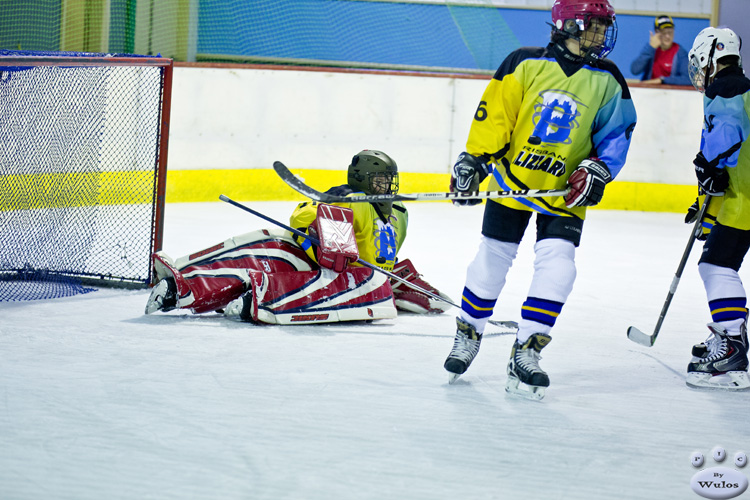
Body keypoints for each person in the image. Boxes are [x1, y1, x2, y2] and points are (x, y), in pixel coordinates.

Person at [442, 0, 637, 399]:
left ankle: (527, 348)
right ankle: (469, 332)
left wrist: (600, 168)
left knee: (560, 268)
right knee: (491, 259)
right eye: (595, 26)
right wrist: (474, 160)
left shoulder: (608, 79)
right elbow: (495, 117)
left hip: (564, 193)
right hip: (513, 182)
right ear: (570, 25)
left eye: (603, 27)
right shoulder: (524, 63)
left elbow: (616, 134)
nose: (601, 35)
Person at [144, 149, 451, 324]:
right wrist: (327, 213)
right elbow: (300, 216)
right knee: (271, 244)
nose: (388, 188)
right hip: (322, 263)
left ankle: (260, 298)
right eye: (381, 181)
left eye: (389, 181)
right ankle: (182, 284)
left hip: (361, 281)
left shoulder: (400, 215)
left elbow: (384, 262)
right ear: (363, 181)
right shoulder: (351, 200)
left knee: (370, 281)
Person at [682, 27, 749, 391]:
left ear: (710, 55)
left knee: (716, 265)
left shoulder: (725, 88)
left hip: (747, 203)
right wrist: (707, 208)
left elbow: (729, 135)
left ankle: (732, 350)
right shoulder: (741, 84)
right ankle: (730, 334)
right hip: (742, 198)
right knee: (722, 263)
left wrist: (710, 165)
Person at [630, 15, 691, 86]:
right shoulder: (651, 49)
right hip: (648, 91)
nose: (667, 36)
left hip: (671, 92)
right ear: (656, 32)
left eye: (670, 32)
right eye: (664, 32)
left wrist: (662, 80)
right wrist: (650, 48)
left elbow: (688, 79)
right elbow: (635, 70)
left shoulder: (679, 52)